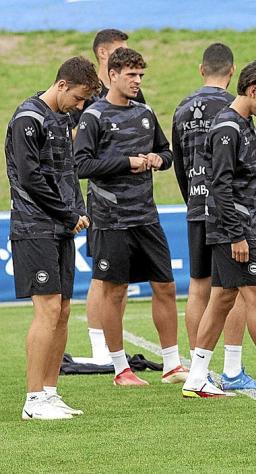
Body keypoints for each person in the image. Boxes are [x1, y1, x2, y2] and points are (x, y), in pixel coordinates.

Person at [172, 42, 256, 391]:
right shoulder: (227, 128)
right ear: (252, 90)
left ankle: (196, 376)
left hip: (238, 223)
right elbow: (217, 184)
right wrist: (237, 234)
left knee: (222, 299)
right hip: (232, 227)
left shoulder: (242, 124)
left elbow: (250, 176)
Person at [74, 47, 187, 386]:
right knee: (115, 290)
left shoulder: (145, 113)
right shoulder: (93, 116)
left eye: (140, 75)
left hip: (146, 217)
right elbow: (81, 165)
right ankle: (120, 368)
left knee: (165, 286)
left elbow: (167, 152)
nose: (137, 80)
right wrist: (128, 162)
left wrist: (157, 159)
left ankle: (172, 364)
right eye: (131, 75)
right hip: (110, 219)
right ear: (112, 75)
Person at [6, 57, 99, 419]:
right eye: (78, 98)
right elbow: (29, 178)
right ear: (61, 86)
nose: (80, 107)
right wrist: (68, 213)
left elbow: (66, 173)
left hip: (60, 227)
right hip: (33, 227)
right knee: (46, 311)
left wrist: (75, 212)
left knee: (62, 311)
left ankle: (49, 391)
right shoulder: (29, 119)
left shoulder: (60, 117)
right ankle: (32, 400)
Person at [77, 28, 146, 364]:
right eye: (121, 52)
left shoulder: (135, 98)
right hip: (104, 204)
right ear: (104, 55)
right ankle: (98, 348)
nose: (128, 60)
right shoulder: (87, 98)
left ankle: (113, 348)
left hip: (136, 205)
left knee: (122, 279)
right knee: (102, 278)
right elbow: (79, 155)